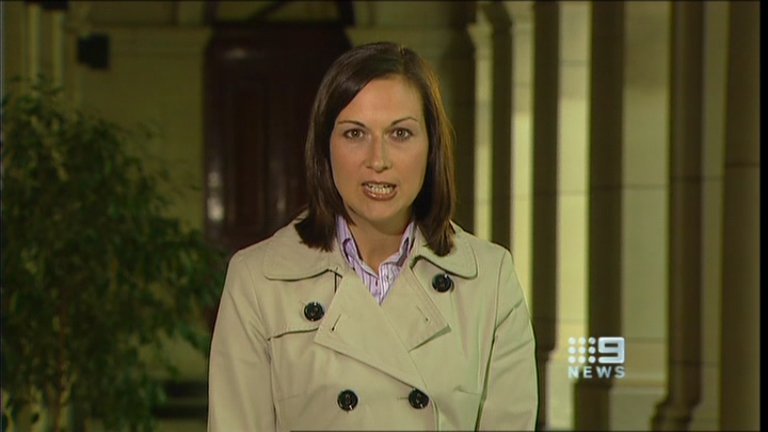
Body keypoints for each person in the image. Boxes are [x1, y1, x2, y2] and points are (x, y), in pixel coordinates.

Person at [208, 41, 538, 431]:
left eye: (400, 133)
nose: (377, 160)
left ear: (431, 147)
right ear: (325, 147)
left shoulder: (490, 279)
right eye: (354, 133)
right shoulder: (257, 280)